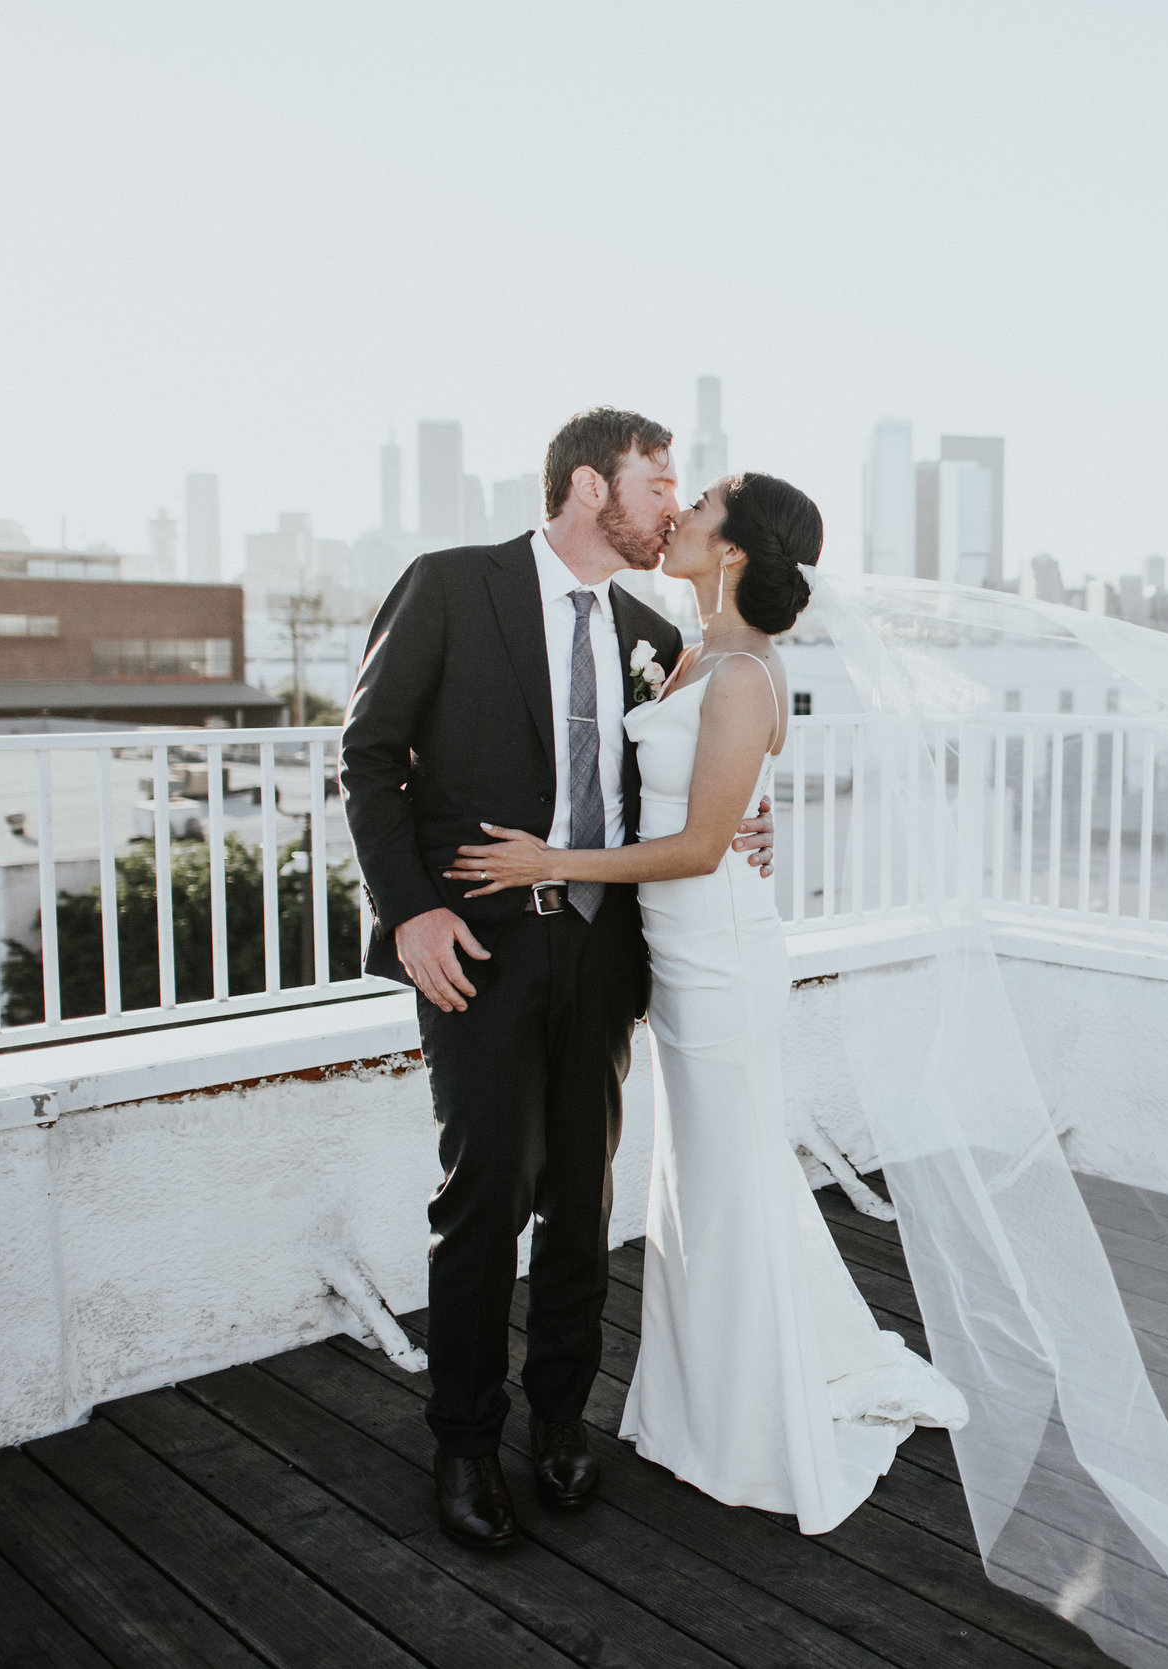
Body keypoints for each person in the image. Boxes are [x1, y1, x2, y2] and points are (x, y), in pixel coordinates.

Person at [447, 472, 964, 1534]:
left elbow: (693, 846)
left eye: (703, 506)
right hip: (677, 957)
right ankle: (708, 1399)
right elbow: (699, 803)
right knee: (710, 1177)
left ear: (732, 549)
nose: (677, 514)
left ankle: (748, 1417)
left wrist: (551, 860)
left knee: (729, 1181)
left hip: (721, 957)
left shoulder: (741, 670)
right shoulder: (686, 651)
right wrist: (746, 820)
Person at [341, 408, 776, 1549]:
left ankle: (560, 1418)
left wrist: (750, 817)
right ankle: (464, 1439)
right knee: (484, 1194)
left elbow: (695, 770)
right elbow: (368, 756)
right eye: (657, 481)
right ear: (591, 486)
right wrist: (411, 910)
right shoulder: (451, 586)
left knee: (581, 1198)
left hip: (602, 947)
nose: (673, 504)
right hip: (477, 946)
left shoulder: (650, 630)